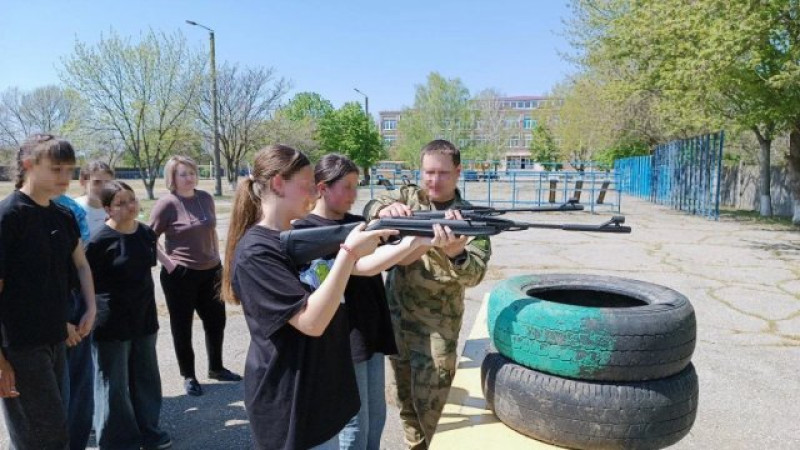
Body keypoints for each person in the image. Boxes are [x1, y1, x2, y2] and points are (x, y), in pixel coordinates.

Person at [221, 145, 416, 450]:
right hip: (289, 404)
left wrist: (417, 239)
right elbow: (311, 322)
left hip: (318, 396)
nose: (315, 192)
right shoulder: (257, 253)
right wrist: (348, 253)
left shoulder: (292, 240)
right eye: (307, 184)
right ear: (278, 184)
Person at [294, 154, 451, 450]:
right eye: (347, 187)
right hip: (342, 338)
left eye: (356, 186)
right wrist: (417, 240)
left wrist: (429, 239)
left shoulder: (357, 224)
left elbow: (398, 258)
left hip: (370, 332)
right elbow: (363, 266)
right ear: (322, 188)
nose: (354, 195)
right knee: (354, 424)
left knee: (376, 418)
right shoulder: (305, 232)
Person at [363, 139, 492, 449]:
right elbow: (369, 208)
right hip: (397, 322)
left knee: (435, 412)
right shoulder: (409, 197)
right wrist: (383, 209)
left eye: (443, 173)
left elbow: (475, 275)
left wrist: (456, 253)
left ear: (458, 172)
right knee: (405, 404)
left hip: (437, 332)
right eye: (428, 172)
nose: (434, 180)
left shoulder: (470, 218)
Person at [0, 134, 96, 449]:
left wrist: (91, 308)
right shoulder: (8, 217)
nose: (65, 177)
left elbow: (81, 265)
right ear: (29, 165)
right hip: (21, 347)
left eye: (70, 170)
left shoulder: (63, 215)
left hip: (57, 339)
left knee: (54, 431)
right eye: (56, 169)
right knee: (41, 437)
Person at [85, 181, 171, 450]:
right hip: (110, 322)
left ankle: (149, 431)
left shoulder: (146, 234)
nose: (129, 206)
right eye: (120, 203)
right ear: (107, 209)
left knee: (146, 379)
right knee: (114, 385)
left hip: (144, 317)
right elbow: (83, 282)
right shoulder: (98, 241)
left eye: (132, 200)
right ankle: (118, 441)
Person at [150, 155, 240, 397]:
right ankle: (188, 375)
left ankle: (216, 368)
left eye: (192, 173)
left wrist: (218, 261)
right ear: (172, 177)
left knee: (216, 321)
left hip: (211, 271)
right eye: (183, 174)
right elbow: (149, 238)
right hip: (180, 275)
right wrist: (170, 264)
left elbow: (210, 232)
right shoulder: (167, 204)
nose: (189, 178)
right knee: (182, 326)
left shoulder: (205, 198)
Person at [76, 161, 115, 236]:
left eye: (108, 182)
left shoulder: (116, 209)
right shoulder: (73, 209)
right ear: (82, 182)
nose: (103, 187)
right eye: (97, 182)